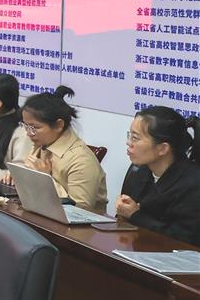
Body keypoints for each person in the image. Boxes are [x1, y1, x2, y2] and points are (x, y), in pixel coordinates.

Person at [116, 107, 200, 244]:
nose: (129, 143)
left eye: (135, 138)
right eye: (130, 136)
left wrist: (135, 215)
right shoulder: (139, 170)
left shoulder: (193, 184)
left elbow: (184, 240)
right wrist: (123, 211)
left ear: (162, 148)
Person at [21, 86, 108, 213]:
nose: (29, 133)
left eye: (34, 128)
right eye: (26, 126)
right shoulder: (42, 143)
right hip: (43, 213)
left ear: (58, 125)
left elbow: (79, 211)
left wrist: (45, 180)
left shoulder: (81, 160)